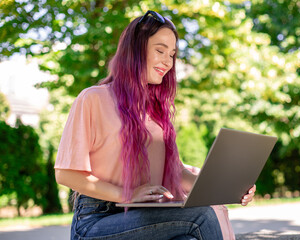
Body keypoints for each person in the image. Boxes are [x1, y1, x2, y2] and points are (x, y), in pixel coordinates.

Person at [55, 10, 256, 240]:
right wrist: (127, 194)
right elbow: (66, 174)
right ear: (135, 50)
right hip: (95, 221)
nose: (168, 62)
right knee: (201, 216)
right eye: (160, 50)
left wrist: (228, 189)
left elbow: (176, 172)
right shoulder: (93, 99)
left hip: (143, 214)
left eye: (172, 54)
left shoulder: (156, 111)